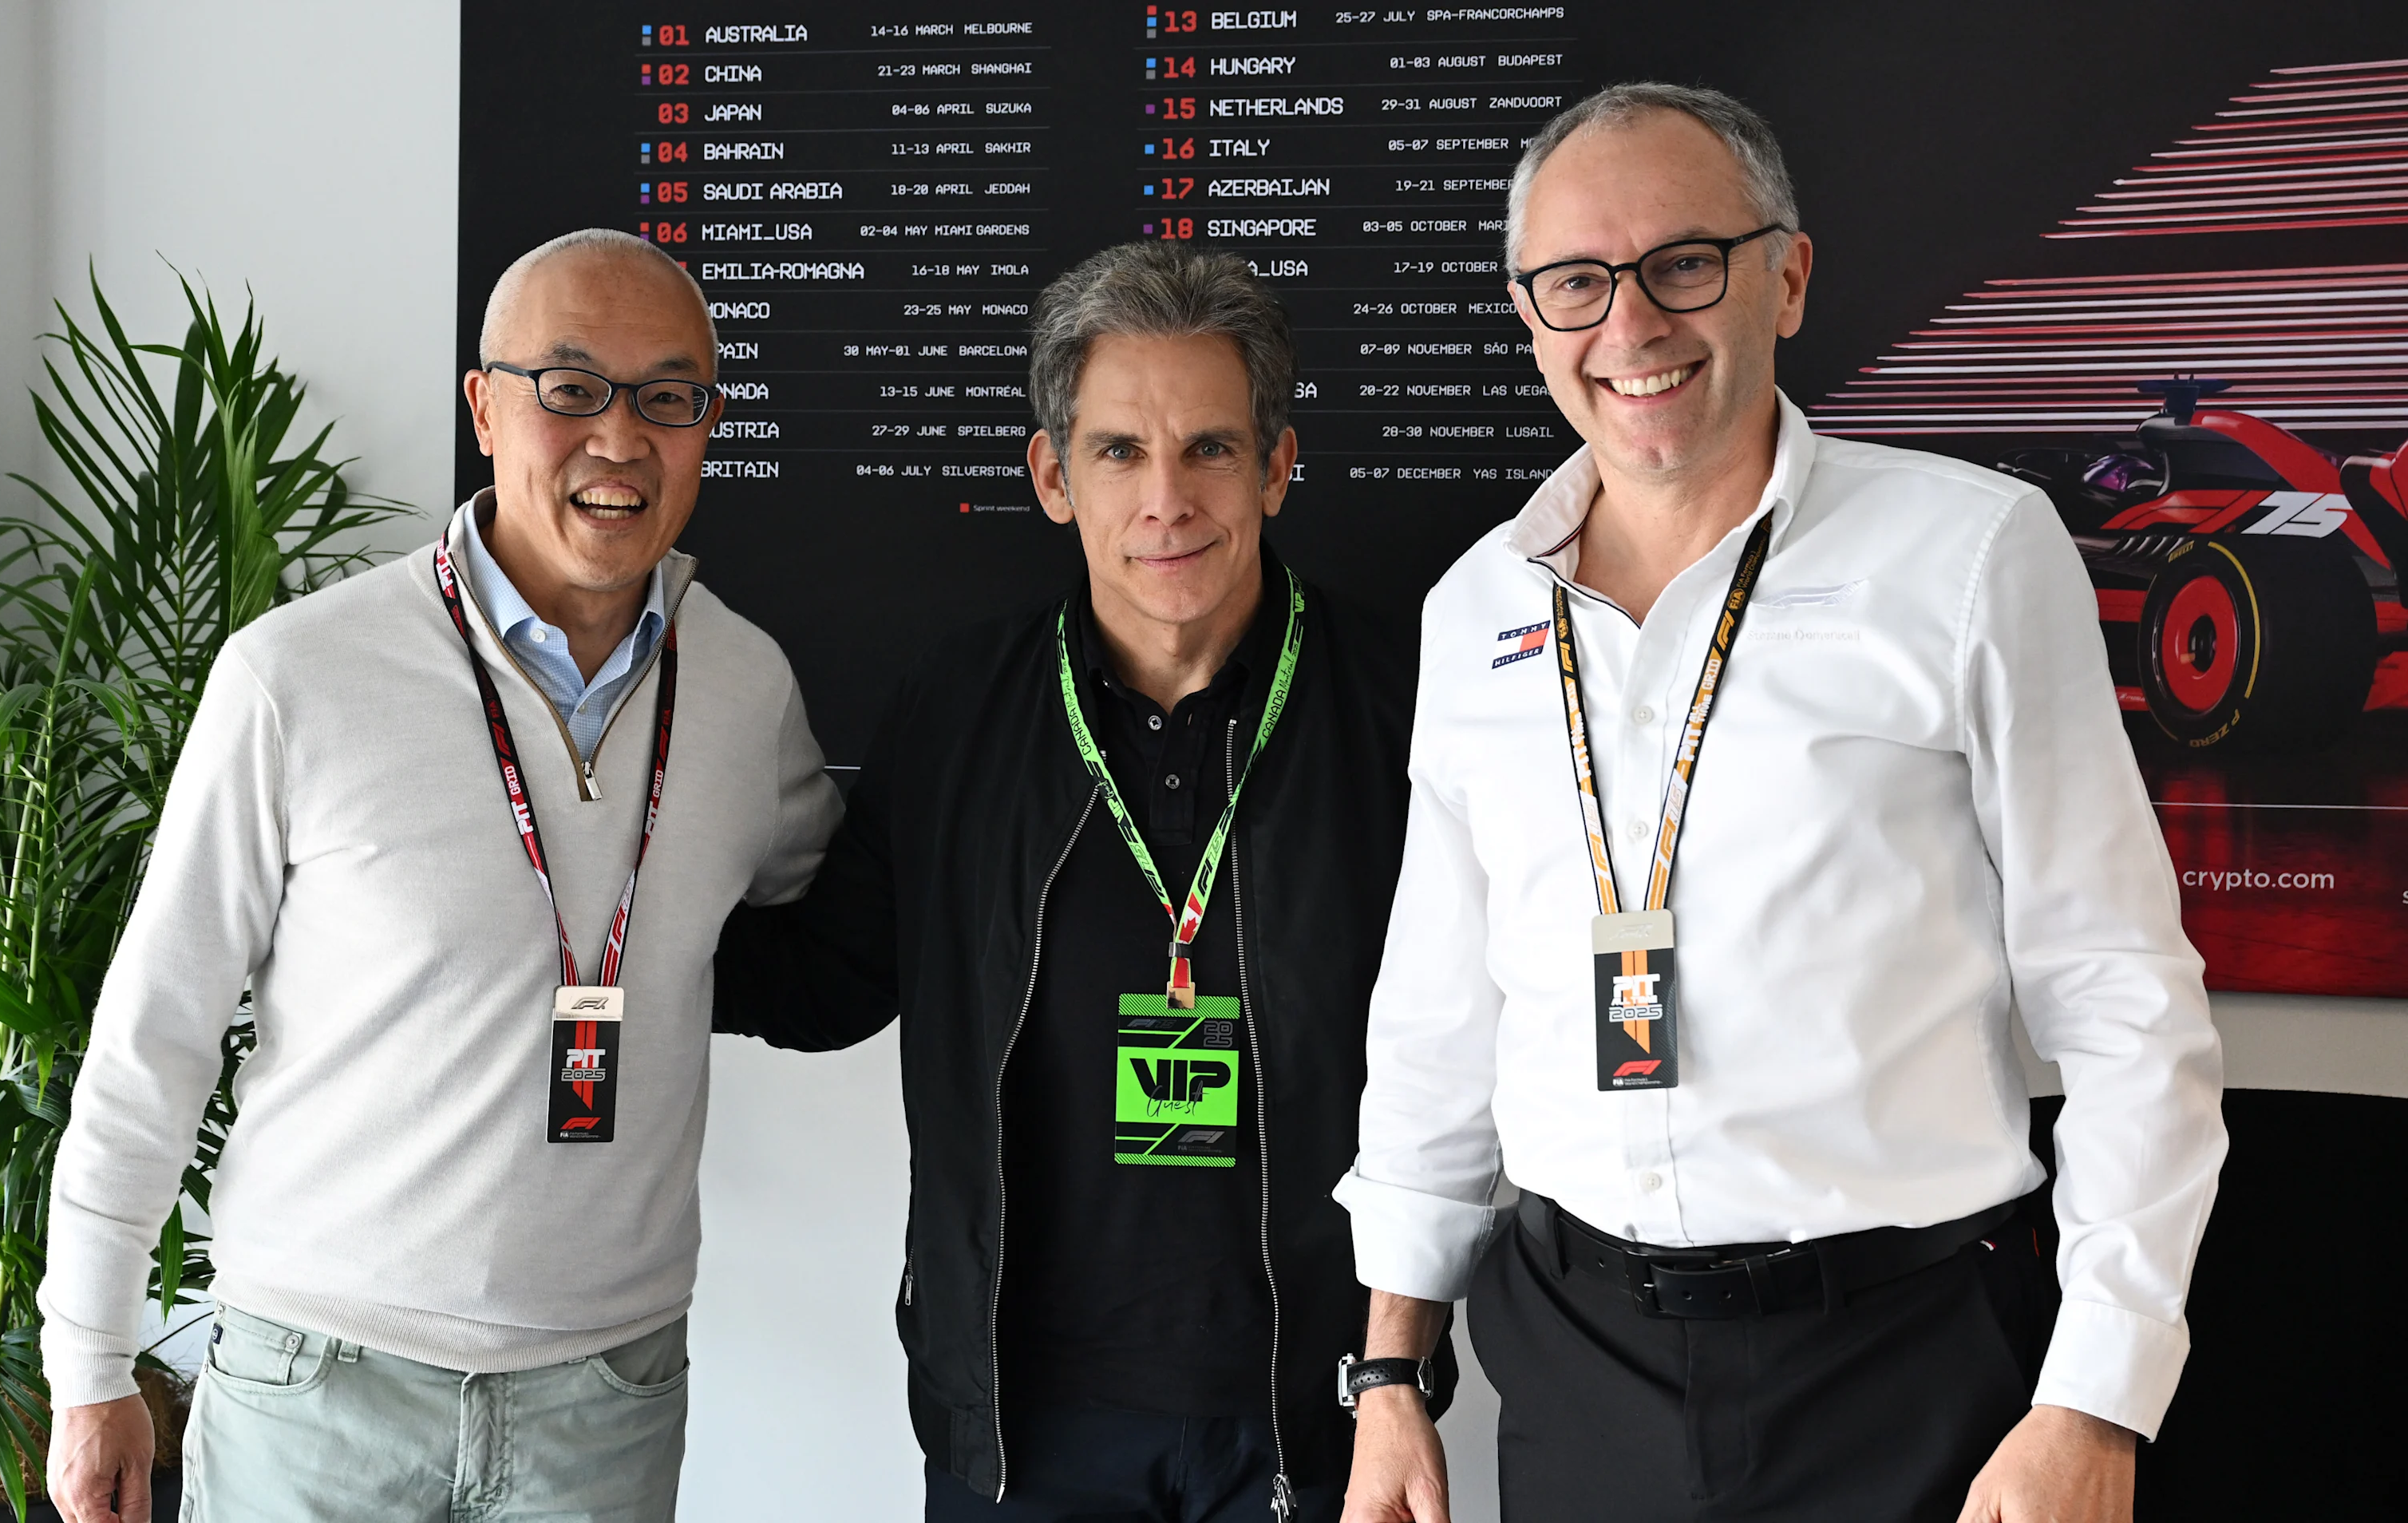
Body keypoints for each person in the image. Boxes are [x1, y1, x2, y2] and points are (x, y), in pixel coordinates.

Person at [1336, 84, 2226, 1523]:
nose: (1630, 326)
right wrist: (1389, 1379)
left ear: (1789, 277)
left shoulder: (1972, 555)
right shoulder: (1474, 613)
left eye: (1686, 263)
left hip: (1910, 1363)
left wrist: (2095, 1400)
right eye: (1577, 282)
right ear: (1530, 314)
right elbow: (1437, 1029)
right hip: (1577, 1364)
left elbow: (2124, 1001)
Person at [40, 228, 840, 1523]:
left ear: (708, 424)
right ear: (484, 406)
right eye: (569, 388)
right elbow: (156, 1033)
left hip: (607, 1398)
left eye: (666, 397)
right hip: (316, 1385)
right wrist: (88, 1363)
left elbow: (829, 899)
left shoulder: (745, 688)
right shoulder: (297, 675)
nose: (620, 440)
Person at [714, 241, 1443, 1522]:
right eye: (1118, 451)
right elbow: (829, 981)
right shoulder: (957, 706)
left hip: (1312, 1414)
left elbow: (1477, 1046)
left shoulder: (1408, 709)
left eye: (1211, 447)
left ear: (1277, 465)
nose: (1166, 498)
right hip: (1019, 1424)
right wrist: (571, 935)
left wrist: (1397, 1364)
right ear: (1054, 475)